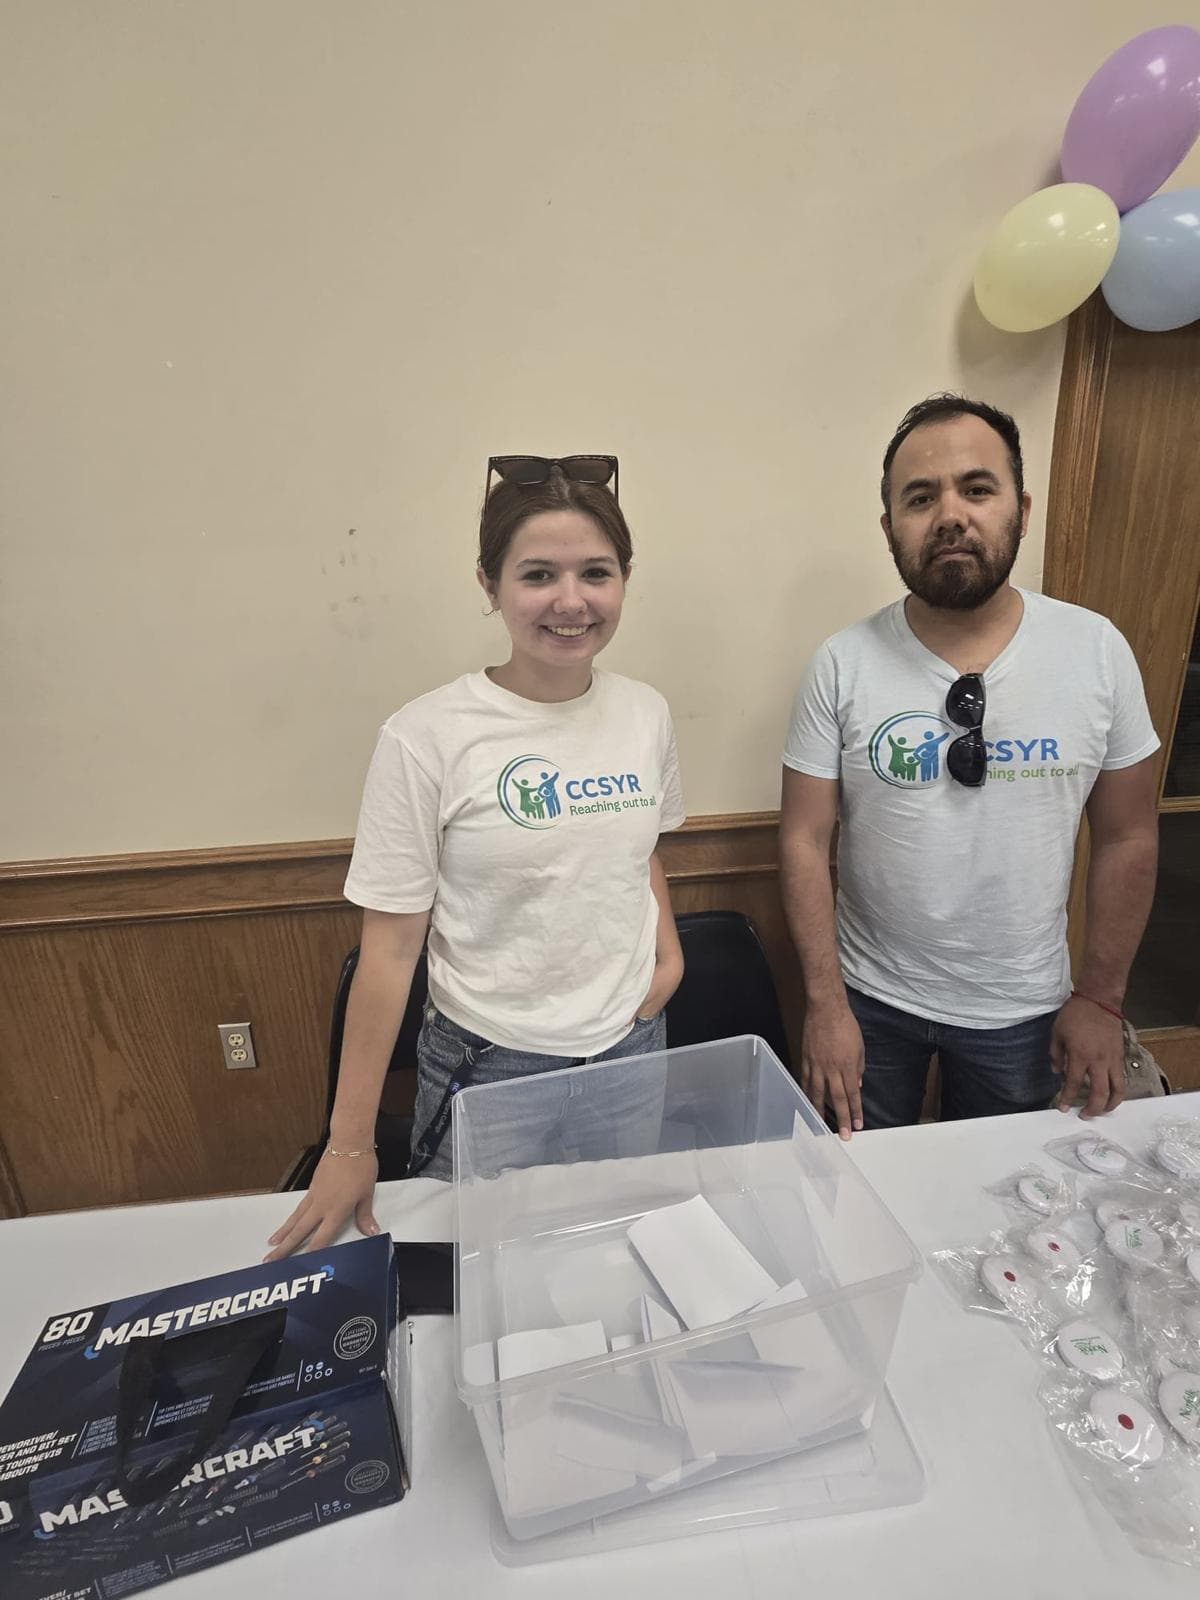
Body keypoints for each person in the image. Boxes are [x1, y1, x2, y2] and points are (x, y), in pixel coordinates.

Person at [266, 455, 685, 1259]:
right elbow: (389, 952)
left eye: (596, 572)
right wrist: (349, 1146)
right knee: (485, 1272)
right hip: (492, 1065)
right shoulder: (426, 737)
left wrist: (666, 959)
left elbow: (643, 851)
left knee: (610, 1256)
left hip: (629, 1051)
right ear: (490, 586)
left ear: (624, 580)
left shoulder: (645, 713)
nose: (571, 601)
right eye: (538, 575)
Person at [780, 395, 1159, 1138]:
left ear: (1020, 508)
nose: (950, 514)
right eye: (920, 498)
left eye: (976, 489)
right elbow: (801, 839)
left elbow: (1129, 837)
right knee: (852, 1194)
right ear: (890, 528)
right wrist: (825, 1005)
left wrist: (1103, 998)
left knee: (1000, 1213)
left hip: (1024, 1010)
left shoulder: (1096, 652)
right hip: (867, 1001)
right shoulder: (841, 664)